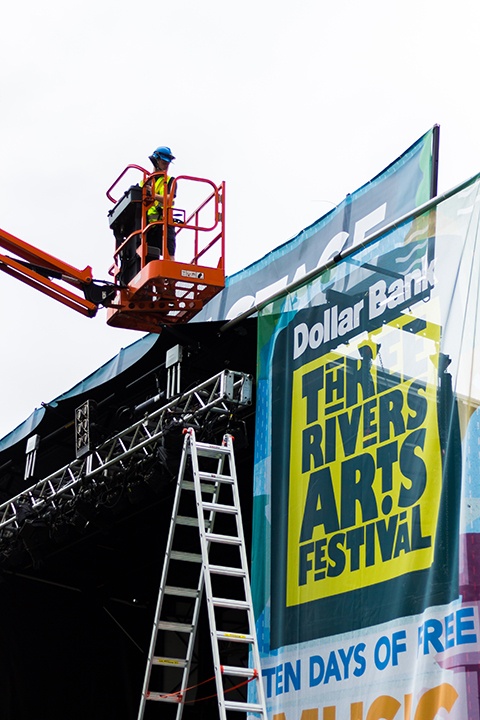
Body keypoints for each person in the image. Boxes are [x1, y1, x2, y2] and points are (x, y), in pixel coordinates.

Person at [145, 146, 177, 260]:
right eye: (164, 162)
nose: (166, 166)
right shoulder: (145, 182)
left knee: (169, 258)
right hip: (148, 228)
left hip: (164, 223)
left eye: (168, 163)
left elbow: (169, 200)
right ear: (156, 161)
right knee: (148, 259)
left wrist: (153, 195)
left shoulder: (169, 180)